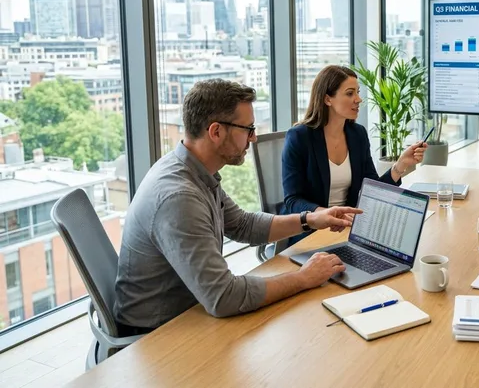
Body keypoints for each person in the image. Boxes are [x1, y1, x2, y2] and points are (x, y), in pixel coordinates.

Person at [114, 80, 360, 335]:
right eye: (248, 128)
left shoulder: (193, 171)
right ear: (216, 131)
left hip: (191, 308)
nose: (253, 138)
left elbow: (242, 225)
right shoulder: (179, 197)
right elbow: (224, 297)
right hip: (157, 334)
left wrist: (311, 219)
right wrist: (303, 279)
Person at [282, 65, 427, 244]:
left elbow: (372, 190)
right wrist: (325, 215)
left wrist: (400, 165)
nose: (358, 99)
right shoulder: (299, 137)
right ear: (328, 99)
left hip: (351, 229)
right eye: (350, 93)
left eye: (357, 92)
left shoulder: (357, 134)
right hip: (312, 232)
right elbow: (293, 200)